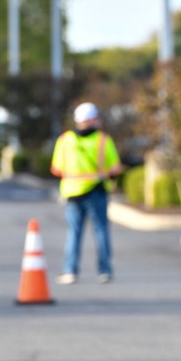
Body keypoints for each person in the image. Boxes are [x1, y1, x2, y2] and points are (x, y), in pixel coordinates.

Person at [50, 102, 123, 284]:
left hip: (73, 193)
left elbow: (56, 169)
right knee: (101, 231)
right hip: (96, 191)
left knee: (74, 233)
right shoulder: (103, 140)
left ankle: (70, 271)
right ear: (92, 119)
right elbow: (115, 169)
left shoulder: (65, 140)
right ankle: (104, 271)